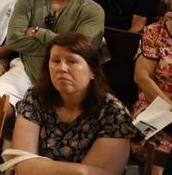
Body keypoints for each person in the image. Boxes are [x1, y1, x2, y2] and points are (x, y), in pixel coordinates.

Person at [7, 33, 136, 174]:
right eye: (56, 61)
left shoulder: (115, 114)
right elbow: (22, 166)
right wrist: (79, 171)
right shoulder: (36, 97)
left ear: (92, 70)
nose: (62, 68)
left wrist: (37, 166)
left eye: (72, 61)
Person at [0, 0, 105, 106]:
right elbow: (14, 40)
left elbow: (82, 52)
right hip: (27, 69)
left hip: (69, 74)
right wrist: (63, 45)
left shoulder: (92, 10)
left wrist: (39, 33)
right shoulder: (28, 1)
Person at [131, 0, 172, 164]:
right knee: (156, 149)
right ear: (171, 5)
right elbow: (142, 77)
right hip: (153, 106)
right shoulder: (155, 32)